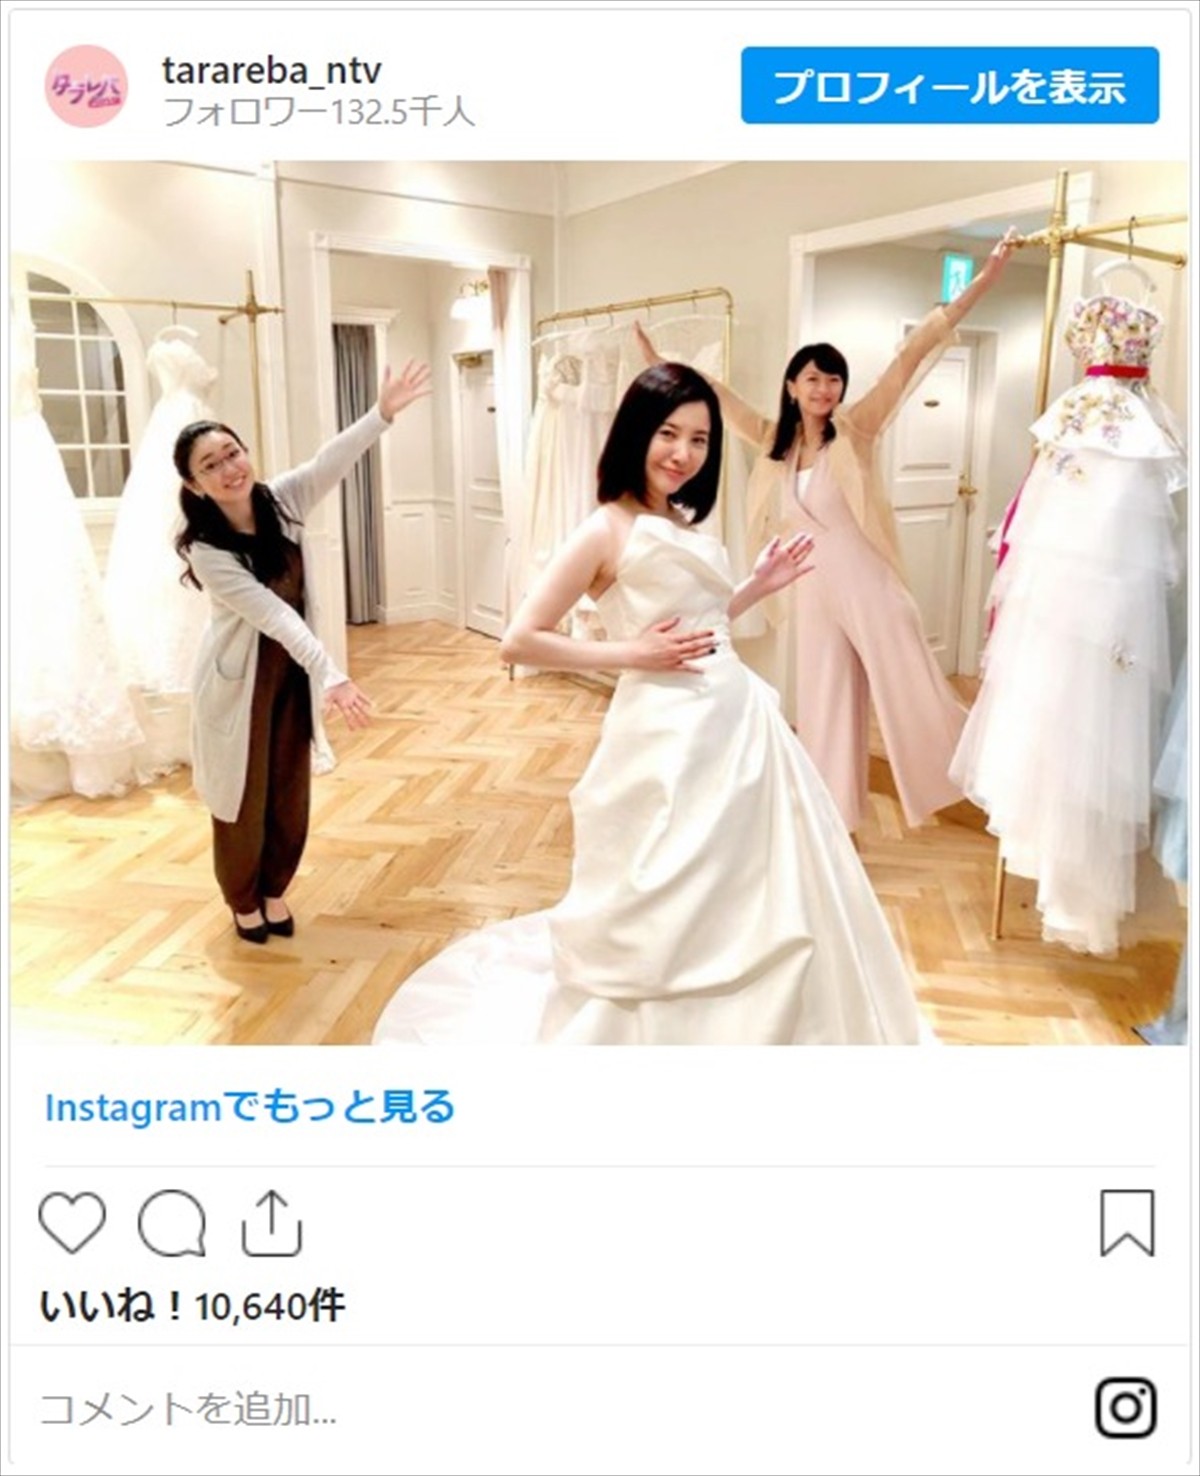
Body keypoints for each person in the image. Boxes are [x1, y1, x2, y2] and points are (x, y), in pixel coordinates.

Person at [373, 363, 926, 1046]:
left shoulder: (681, 519)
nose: (683, 453)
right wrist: (630, 653)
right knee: (667, 885)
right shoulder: (605, 528)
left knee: (750, 888)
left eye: (699, 439)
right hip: (665, 735)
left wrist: (756, 586)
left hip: (738, 725)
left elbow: (699, 623)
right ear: (636, 431)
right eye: (669, 433)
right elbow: (519, 640)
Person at [635, 229, 1018, 834]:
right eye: (813, 378)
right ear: (792, 386)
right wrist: (663, 367)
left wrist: (984, 281)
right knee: (824, 705)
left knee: (913, 693)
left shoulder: (857, 429)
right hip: (811, 587)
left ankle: (994, 775)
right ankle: (834, 820)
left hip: (868, 583)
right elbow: (719, 398)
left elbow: (913, 353)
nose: (824, 389)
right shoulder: (774, 442)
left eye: (833, 379)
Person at [174, 360, 431, 943]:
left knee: (289, 790)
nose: (229, 469)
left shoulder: (281, 501)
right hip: (240, 685)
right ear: (194, 485)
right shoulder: (207, 551)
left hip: (290, 676)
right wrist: (333, 673)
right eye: (210, 465)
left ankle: (274, 888)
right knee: (242, 797)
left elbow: (329, 461)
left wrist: (382, 413)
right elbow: (275, 615)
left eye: (232, 453)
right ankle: (243, 899)